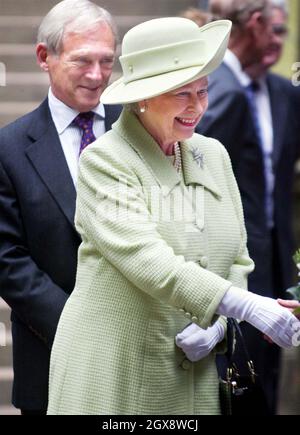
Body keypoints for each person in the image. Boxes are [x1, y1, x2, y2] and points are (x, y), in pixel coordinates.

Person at [47, 17, 300, 415]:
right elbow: (148, 259)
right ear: (143, 96)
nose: (198, 107)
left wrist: (219, 325)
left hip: (194, 382)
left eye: (203, 91)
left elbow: (238, 256)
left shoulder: (213, 154)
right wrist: (245, 306)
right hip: (116, 373)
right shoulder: (104, 161)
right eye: (182, 93)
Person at [0, 0, 121, 415]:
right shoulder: (9, 148)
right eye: (82, 60)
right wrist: (76, 325)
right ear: (43, 57)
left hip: (140, 357)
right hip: (51, 357)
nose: (97, 75)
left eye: (107, 62)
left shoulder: (139, 127)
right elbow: (7, 258)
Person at [196, 0, 300, 413]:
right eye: (276, 30)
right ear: (253, 24)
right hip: (226, 267)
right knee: (233, 388)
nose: (280, 41)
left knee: (267, 386)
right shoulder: (209, 90)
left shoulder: (283, 92)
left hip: (276, 261)